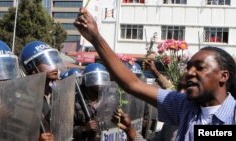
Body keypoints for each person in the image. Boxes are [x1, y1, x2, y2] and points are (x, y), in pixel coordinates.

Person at [74, 8, 236, 141]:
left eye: (200, 68)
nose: (190, 73)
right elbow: (133, 84)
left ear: (223, 76)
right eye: (189, 67)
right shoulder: (183, 106)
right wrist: (96, 38)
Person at [20, 40, 66, 141]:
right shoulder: (23, 99)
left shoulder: (56, 94)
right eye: (46, 62)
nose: (55, 67)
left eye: (53, 61)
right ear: (31, 67)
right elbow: (14, 134)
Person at [73, 63, 110, 141]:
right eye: (94, 79)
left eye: (102, 78)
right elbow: (65, 131)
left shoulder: (109, 101)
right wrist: (83, 128)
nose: (100, 83)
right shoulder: (76, 103)